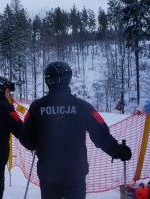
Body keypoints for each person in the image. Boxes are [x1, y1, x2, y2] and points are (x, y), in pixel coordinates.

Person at [19, 61, 132, 199]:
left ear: (48, 80)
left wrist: (36, 143)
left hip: (48, 173)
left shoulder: (37, 107)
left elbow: (25, 137)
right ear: (68, 79)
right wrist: (118, 151)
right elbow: (100, 134)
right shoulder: (82, 106)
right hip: (75, 174)